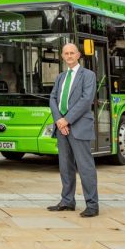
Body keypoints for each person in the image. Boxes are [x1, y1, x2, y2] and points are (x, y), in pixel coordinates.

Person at [47, 42, 99, 217]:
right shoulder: (60, 77)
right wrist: (59, 121)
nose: (69, 56)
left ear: (78, 55)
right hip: (62, 128)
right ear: (62, 56)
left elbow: (86, 100)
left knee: (85, 167)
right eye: (65, 53)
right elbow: (52, 98)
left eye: (72, 53)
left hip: (79, 126)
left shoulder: (88, 75)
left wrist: (66, 120)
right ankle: (67, 201)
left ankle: (92, 205)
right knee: (65, 167)